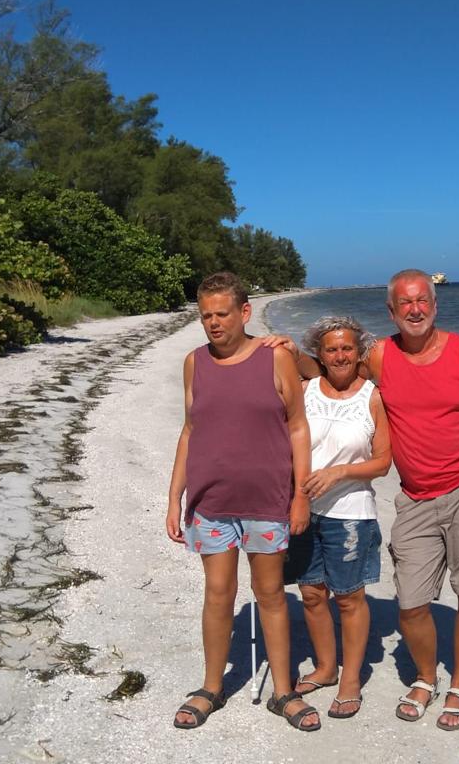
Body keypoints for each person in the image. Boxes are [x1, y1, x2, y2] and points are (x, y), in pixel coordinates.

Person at [274, 268, 459, 731]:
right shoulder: (382, 356)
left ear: (435, 304)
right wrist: (287, 349)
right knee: (411, 603)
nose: (415, 309)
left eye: (422, 300)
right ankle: (425, 677)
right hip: (415, 497)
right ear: (391, 311)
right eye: (405, 303)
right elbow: (332, 369)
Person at [165, 272, 320, 732]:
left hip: (267, 501)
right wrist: (174, 498)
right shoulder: (194, 362)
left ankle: (283, 691)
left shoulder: (275, 358)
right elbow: (190, 430)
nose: (214, 323)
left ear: (245, 312)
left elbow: (298, 427)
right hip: (210, 501)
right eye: (206, 316)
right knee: (218, 593)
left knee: (270, 594)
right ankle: (211, 687)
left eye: (222, 314)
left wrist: (300, 495)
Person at [287, 316, 391, 720]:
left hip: (351, 513)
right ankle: (326, 667)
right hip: (304, 508)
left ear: (359, 352)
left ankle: (351, 679)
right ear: (320, 354)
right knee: (312, 593)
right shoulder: (305, 390)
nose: (340, 355)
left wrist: (340, 472)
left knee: (349, 597)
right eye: (331, 349)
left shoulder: (372, 397)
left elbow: (383, 462)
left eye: (347, 348)